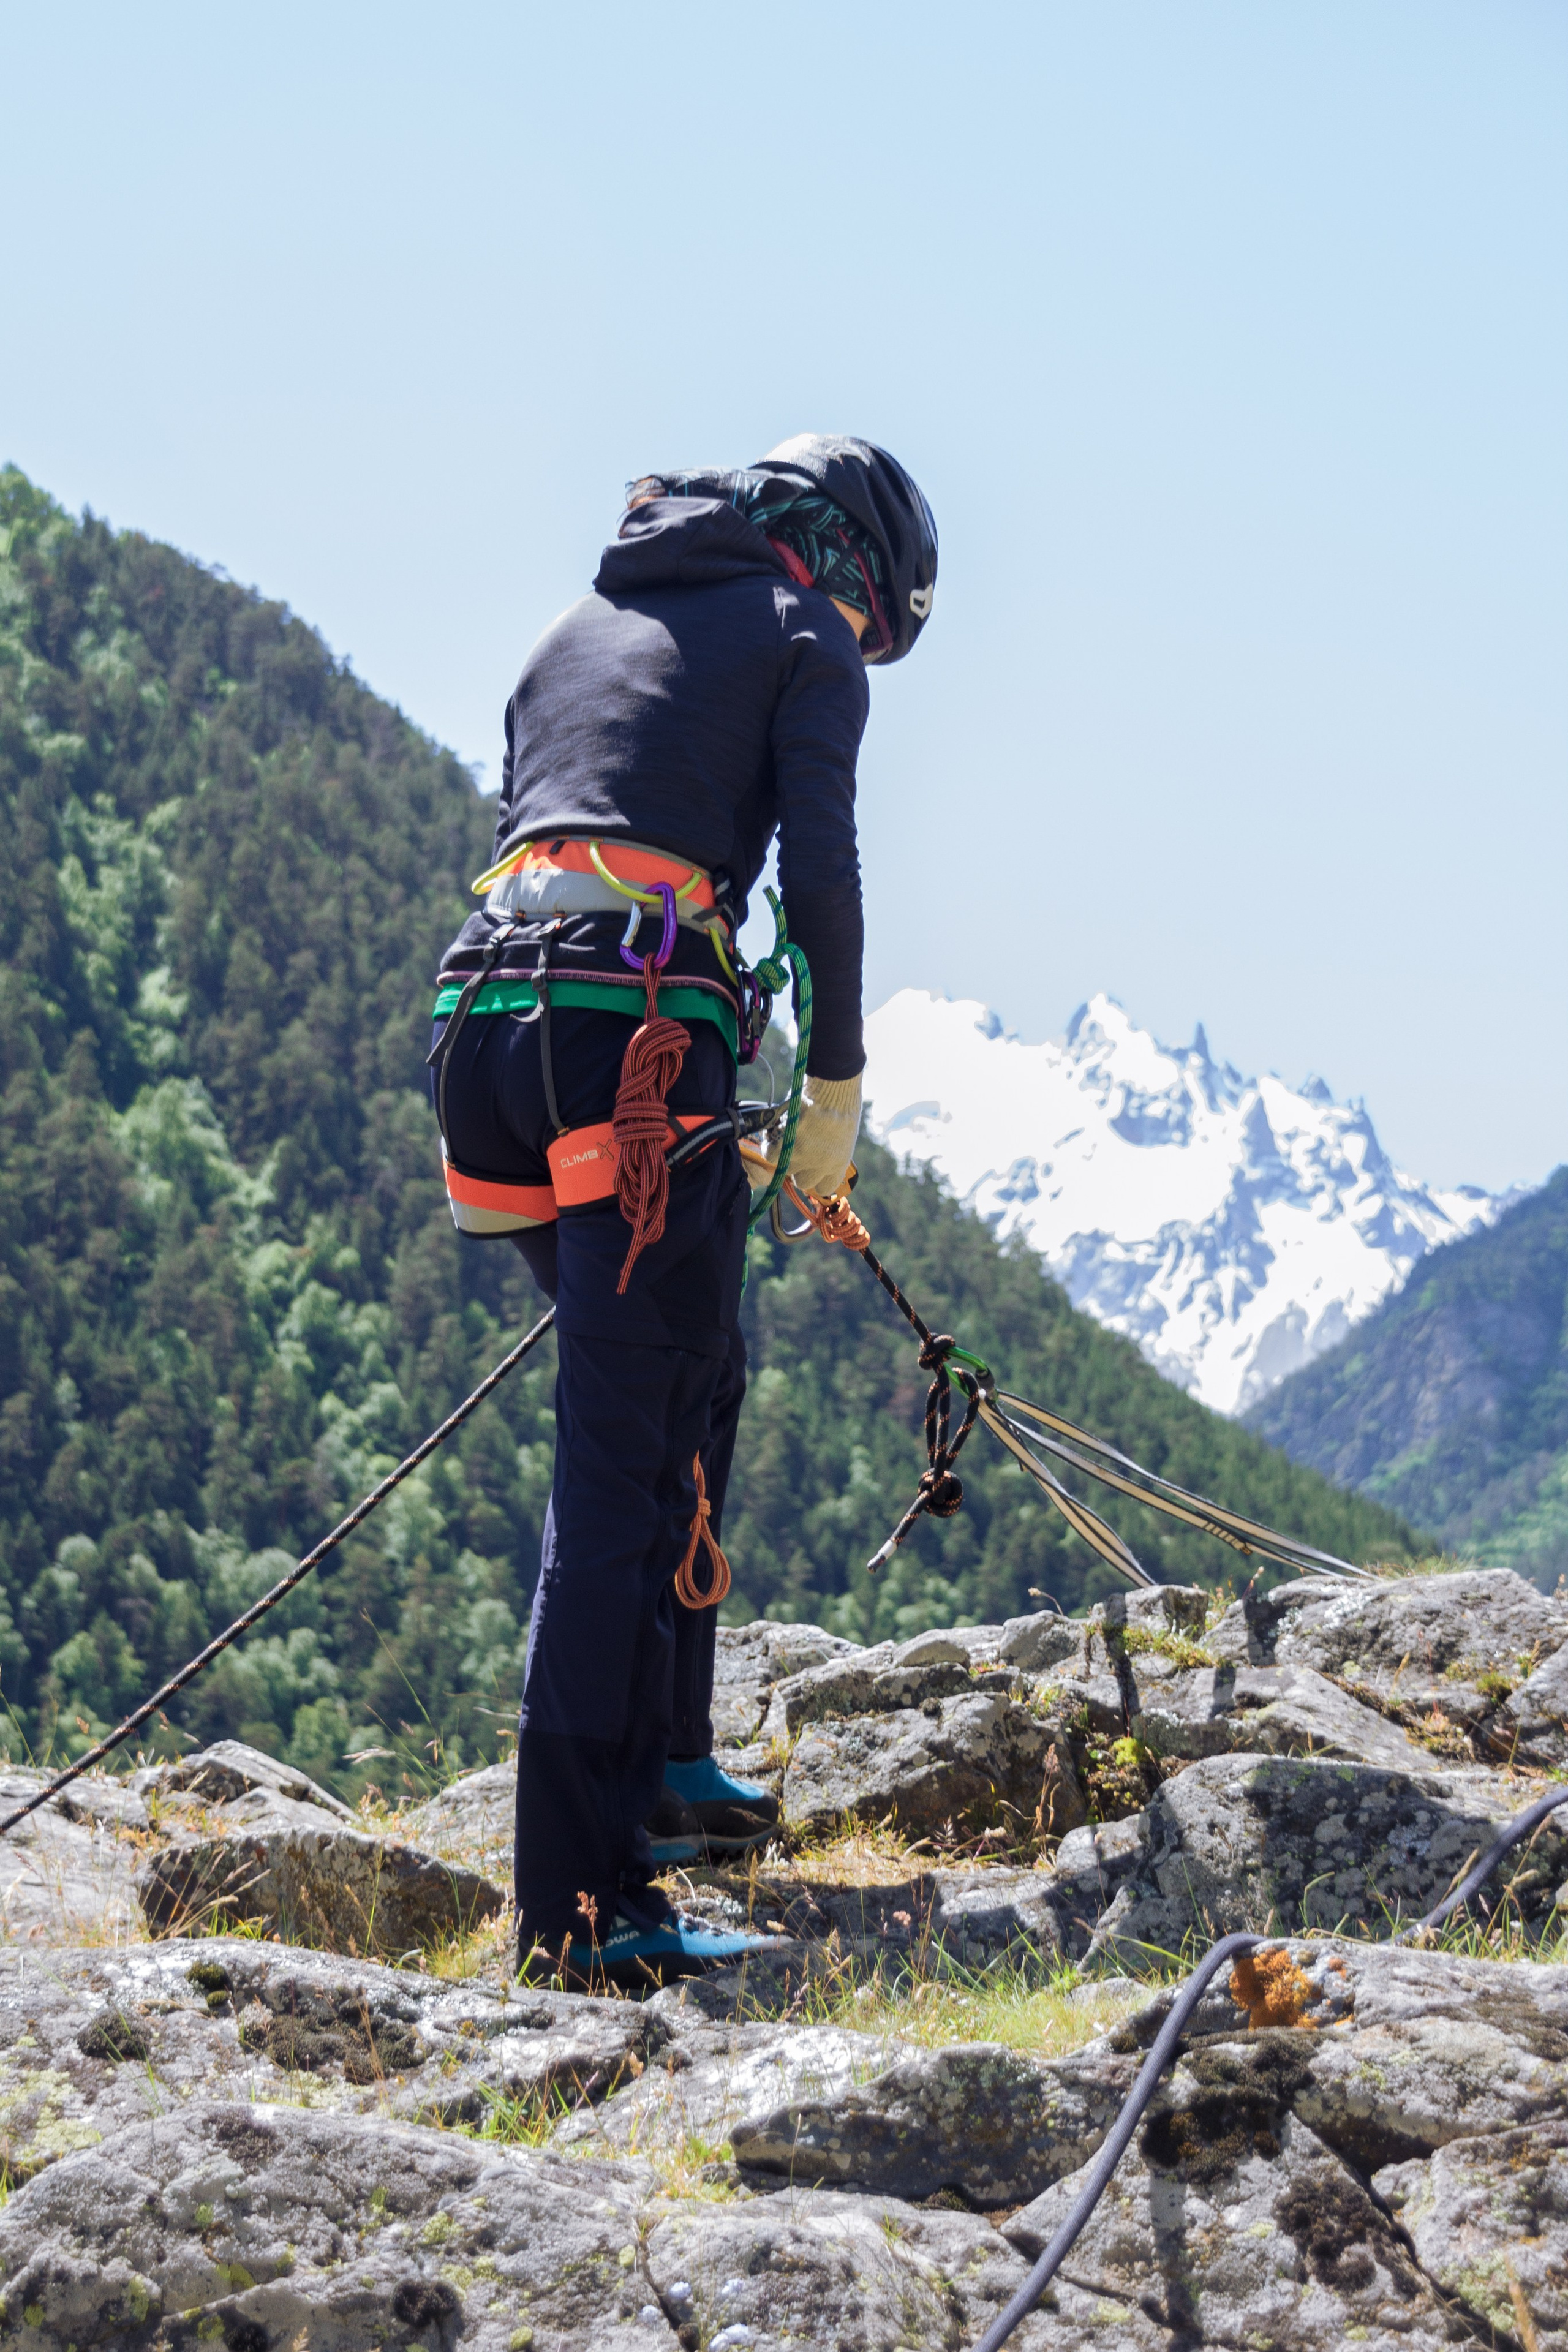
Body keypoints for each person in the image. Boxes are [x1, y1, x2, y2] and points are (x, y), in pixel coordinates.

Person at [429, 435, 938, 1986]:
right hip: (636, 1045)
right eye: (880, 626)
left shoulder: (563, 635)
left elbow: (593, 831)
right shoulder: (800, 639)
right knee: (621, 1451)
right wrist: (834, 1101)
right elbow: (822, 877)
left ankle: (658, 1764)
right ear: (848, 568)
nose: (867, 653)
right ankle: (581, 1918)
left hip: (483, 1037)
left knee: (683, 1382)